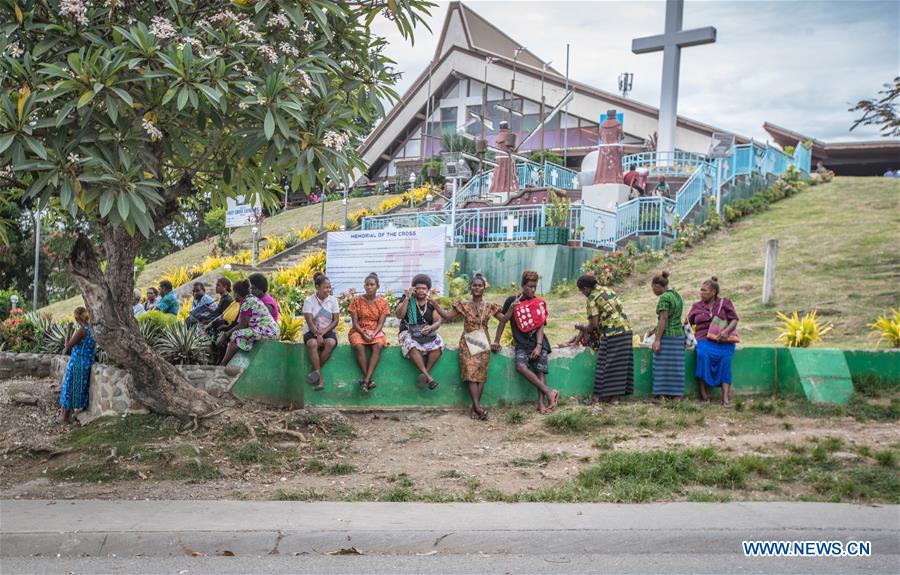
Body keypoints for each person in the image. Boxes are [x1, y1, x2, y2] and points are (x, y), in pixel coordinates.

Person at [431, 274, 503, 420]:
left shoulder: (489, 306)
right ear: (471, 287)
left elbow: (504, 319)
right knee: (470, 374)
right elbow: (447, 315)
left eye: (480, 285)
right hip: (467, 340)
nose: (477, 287)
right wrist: (435, 304)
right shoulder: (464, 305)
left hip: (483, 339)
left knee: (480, 377)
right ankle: (477, 408)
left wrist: (512, 308)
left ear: (484, 288)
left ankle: (475, 407)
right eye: (474, 285)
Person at [494, 270, 559, 413]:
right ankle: (550, 392)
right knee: (521, 367)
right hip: (521, 343)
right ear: (523, 285)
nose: (532, 289)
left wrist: (538, 345)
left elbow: (541, 325)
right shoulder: (512, 301)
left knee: (540, 371)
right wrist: (496, 341)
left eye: (535, 286)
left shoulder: (537, 302)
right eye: (529, 286)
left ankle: (541, 405)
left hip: (538, 342)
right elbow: (503, 321)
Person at [574, 274, 633, 405]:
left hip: (612, 333)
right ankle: (614, 399)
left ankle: (595, 399)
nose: (583, 294)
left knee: (604, 365)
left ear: (585, 288)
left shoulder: (591, 298)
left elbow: (593, 324)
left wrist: (582, 327)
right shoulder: (608, 290)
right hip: (626, 330)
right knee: (619, 367)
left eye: (582, 291)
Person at [688, 276, 739, 407]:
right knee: (703, 355)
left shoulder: (725, 303)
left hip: (723, 340)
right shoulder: (696, 306)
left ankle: (725, 399)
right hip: (703, 338)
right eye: (701, 290)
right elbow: (688, 322)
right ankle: (704, 396)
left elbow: (734, 319)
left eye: (704, 290)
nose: (701, 292)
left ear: (713, 292)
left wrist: (726, 331)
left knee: (725, 361)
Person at [395, 274, 444, 390]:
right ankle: (429, 378)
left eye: (424, 288)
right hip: (408, 331)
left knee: (438, 343)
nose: (421, 291)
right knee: (410, 344)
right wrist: (407, 298)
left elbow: (437, 321)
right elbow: (399, 315)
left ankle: (425, 373)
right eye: (418, 288)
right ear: (413, 289)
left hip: (426, 332)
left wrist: (431, 328)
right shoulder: (407, 298)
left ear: (428, 290)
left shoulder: (431, 302)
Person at [218, 279, 280, 366]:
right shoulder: (252, 299)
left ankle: (223, 364)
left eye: (233, 292)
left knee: (236, 335)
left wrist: (226, 335)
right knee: (237, 334)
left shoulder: (247, 303)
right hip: (270, 330)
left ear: (236, 293)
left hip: (268, 331)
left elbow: (242, 325)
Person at [348, 273, 390, 393]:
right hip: (358, 330)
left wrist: (373, 334)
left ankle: (366, 380)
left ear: (378, 286)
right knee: (358, 345)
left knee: (378, 346)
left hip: (375, 330)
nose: (369, 287)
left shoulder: (383, 302)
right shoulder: (356, 300)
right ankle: (368, 379)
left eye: (372, 285)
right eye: (367, 285)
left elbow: (381, 323)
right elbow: (355, 323)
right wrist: (363, 334)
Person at [650, 271, 685, 401]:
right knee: (676, 367)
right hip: (678, 336)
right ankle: (677, 396)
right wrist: (654, 330)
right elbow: (671, 317)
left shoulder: (664, 297)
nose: (653, 291)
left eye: (653, 288)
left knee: (661, 367)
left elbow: (664, 318)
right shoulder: (676, 295)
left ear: (658, 287)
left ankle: (661, 396)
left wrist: (657, 340)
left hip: (668, 337)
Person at [302, 272, 339, 391]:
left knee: (331, 343)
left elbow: (335, 320)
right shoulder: (309, 301)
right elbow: (309, 321)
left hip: (327, 329)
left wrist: (323, 332)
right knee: (312, 344)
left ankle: (316, 372)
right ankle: (320, 378)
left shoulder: (333, 300)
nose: (328, 290)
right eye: (325, 287)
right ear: (317, 287)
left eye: (329, 287)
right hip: (312, 330)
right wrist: (317, 334)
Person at [59, 306, 96, 424]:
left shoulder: (82, 331)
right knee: (74, 389)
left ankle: (65, 418)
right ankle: (66, 417)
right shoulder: (92, 329)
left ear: (76, 318)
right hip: (86, 363)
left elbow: (67, 348)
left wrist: (69, 330)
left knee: (69, 389)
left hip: (77, 363)